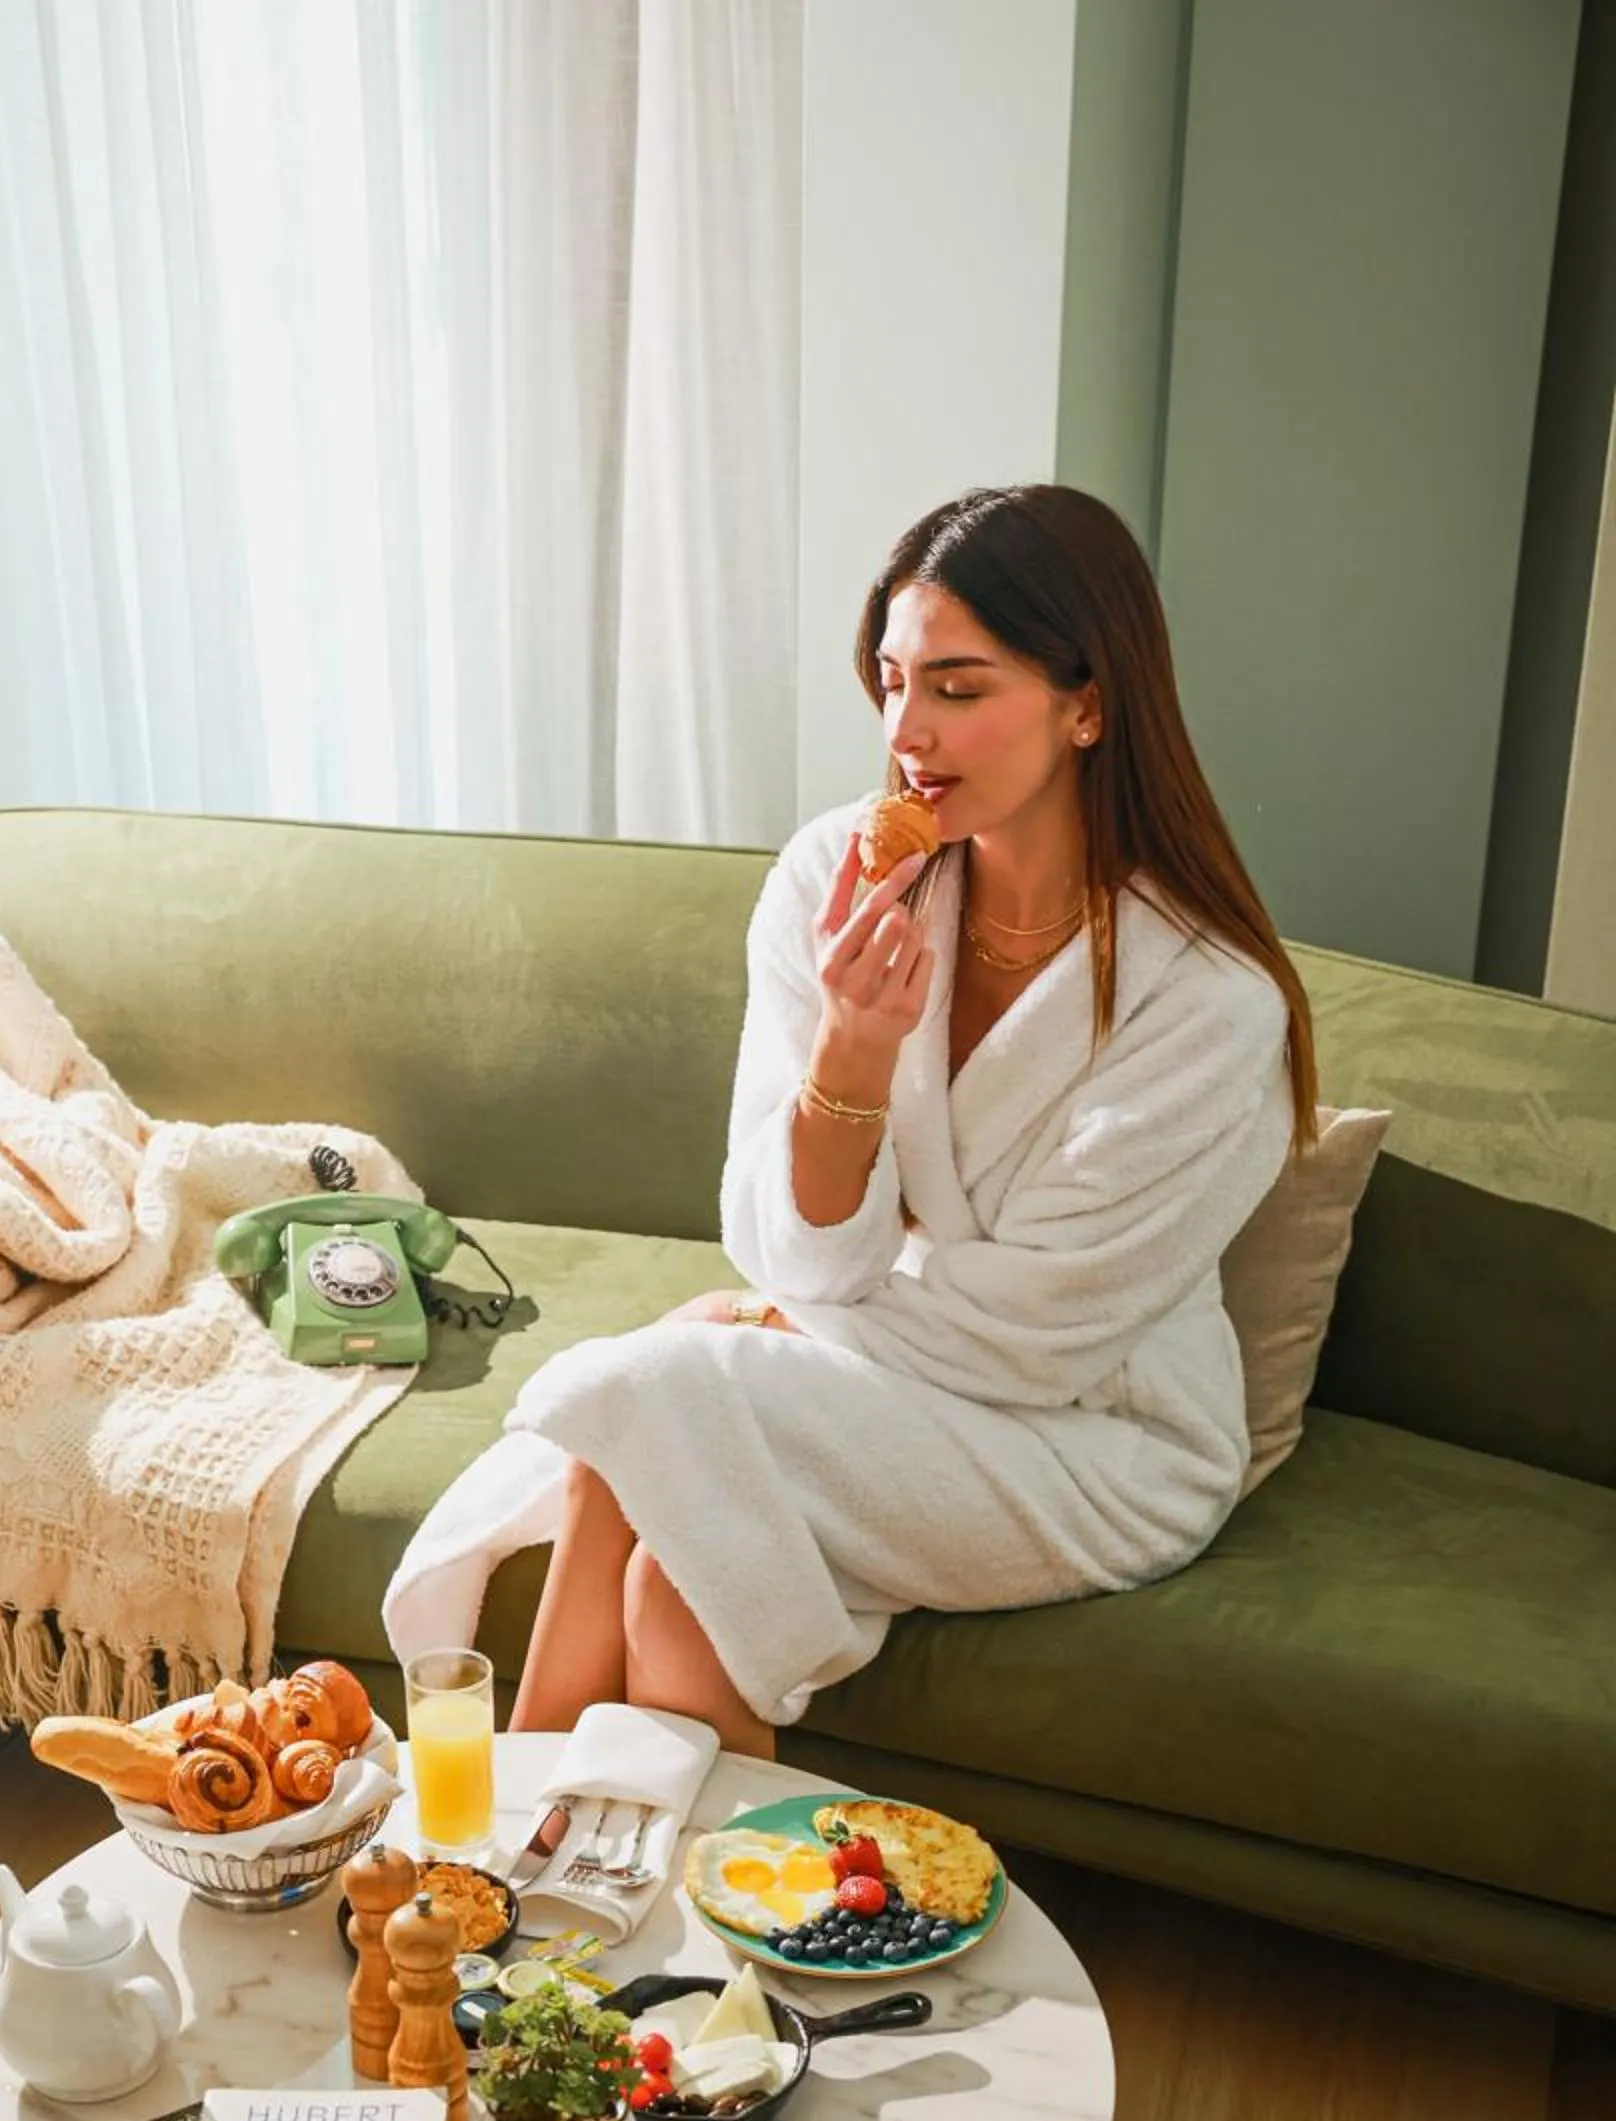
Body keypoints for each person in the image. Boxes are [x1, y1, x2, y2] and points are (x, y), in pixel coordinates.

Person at [383, 483, 1319, 1759]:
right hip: (889, 1381)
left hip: (1098, 1443)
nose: (907, 732)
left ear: (1086, 703)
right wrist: (853, 1050)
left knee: (661, 1382)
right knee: (672, 1572)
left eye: (958, 687)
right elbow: (795, 1255)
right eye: (888, 680)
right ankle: (647, 1931)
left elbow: (1036, 1337)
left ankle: (502, 1834)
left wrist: (767, 1331)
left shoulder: (1206, 1003)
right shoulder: (835, 875)